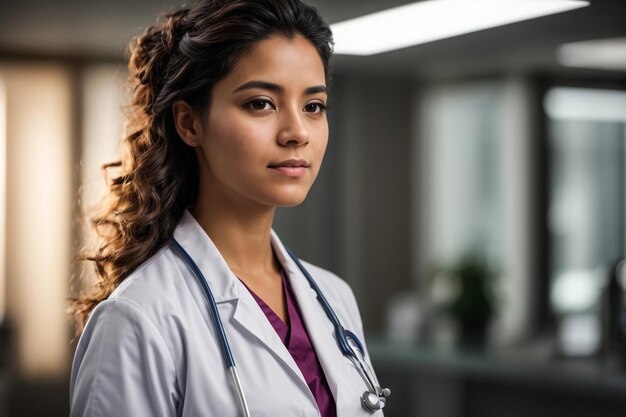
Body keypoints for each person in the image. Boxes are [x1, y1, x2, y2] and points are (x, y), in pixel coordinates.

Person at [69, 1, 387, 416]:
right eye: (261, 103)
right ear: (190, 123)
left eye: (313, 106)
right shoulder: (138, 317)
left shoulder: (334, 298)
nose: (297, 133)